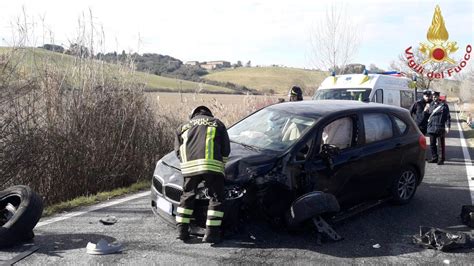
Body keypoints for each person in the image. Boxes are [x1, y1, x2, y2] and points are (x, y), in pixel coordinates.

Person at [174, 106, 230, 243]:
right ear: (209, 114)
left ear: (192, 115)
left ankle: (182, 232)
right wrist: (221, 165)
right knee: (216, 197)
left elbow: (177, 151)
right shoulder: (217, 123)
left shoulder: (182, 127)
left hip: (189, 168)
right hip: (212, 167)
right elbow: (226, 150)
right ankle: (211, 234)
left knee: (187, 196)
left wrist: (186, 164)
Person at [426, 92, 451, 165]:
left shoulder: (444, 105)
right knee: (432, 144)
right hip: (431, 127)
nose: (434, 98)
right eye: (433, 97)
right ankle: (434, 158)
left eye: (435, 96)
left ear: (438, 97)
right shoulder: (430, 105)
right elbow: (428, 115)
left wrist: (448, 126)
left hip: (440, 127)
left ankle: (441, 159)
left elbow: (448, 117)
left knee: (441, 145)